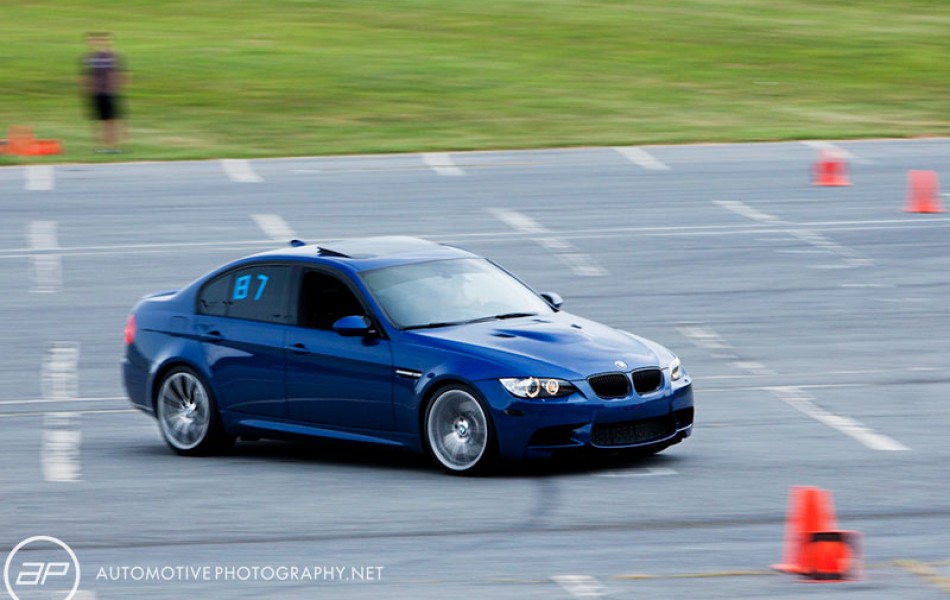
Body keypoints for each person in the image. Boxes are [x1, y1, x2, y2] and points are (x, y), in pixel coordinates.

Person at [80, 32, 127, 153]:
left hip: (109, 92)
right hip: (96, 93)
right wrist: (87, 89)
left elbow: (122, 74)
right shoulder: (89, 58)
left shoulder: (114, 56)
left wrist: (118, 87)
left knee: (111, 121)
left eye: (105, 40)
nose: (100, 43)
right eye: (91, 41)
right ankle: (103, 147)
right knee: (99, 121)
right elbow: (86, 75)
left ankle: (114, 147)